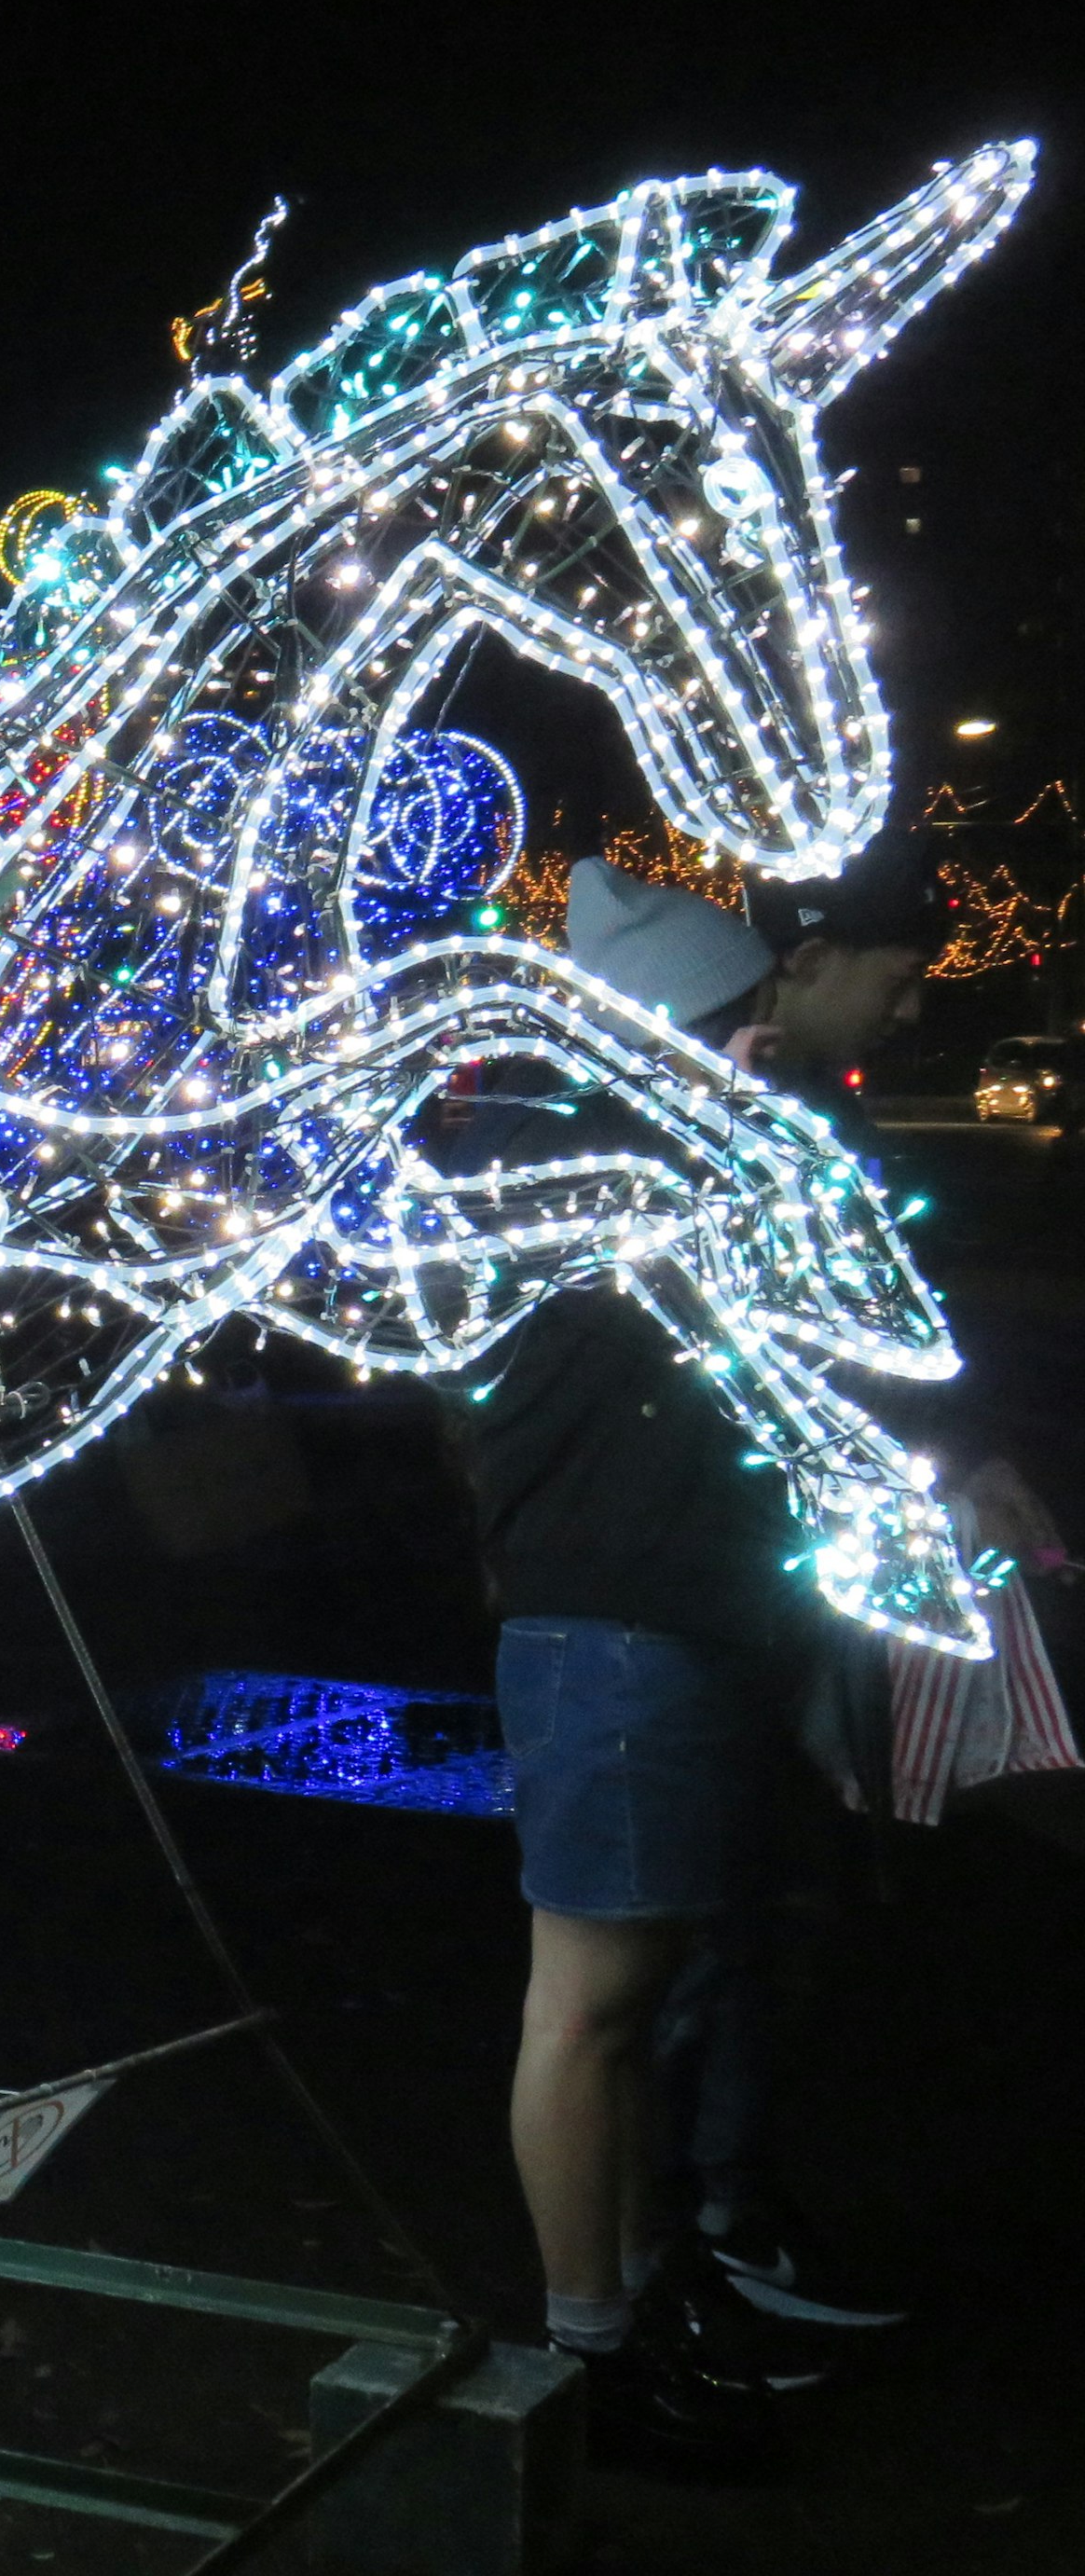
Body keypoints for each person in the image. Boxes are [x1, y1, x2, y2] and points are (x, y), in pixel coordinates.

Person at [460, 843, 938, 2465]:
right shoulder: (608, 1174)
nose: (758, 1044)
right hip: (615, 1638)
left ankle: (645, 2299)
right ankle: (592, 2353)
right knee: (587, 2007)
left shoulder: (640, 1161)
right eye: (729, 1019)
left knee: (633, 1993)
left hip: (658, 1626)